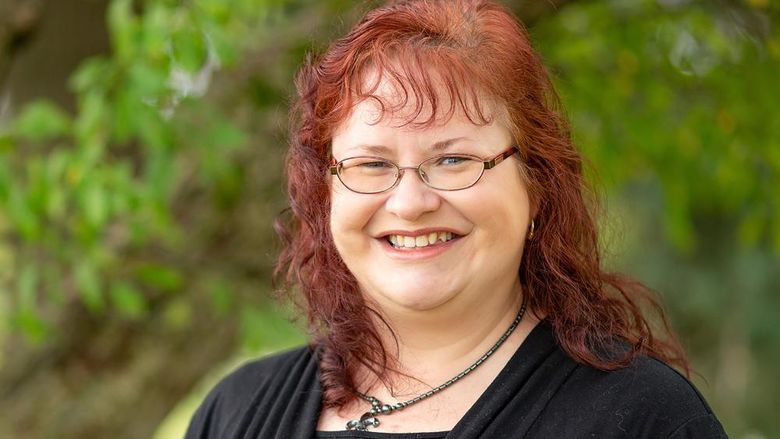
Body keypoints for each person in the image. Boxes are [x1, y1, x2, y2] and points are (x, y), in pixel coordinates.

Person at [185, 0, 727, 437]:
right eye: (371, 163)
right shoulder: (235, 412)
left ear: (537, 187)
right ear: (326, 194)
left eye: (453, 160)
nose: (410, 202)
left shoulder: (643, 419)